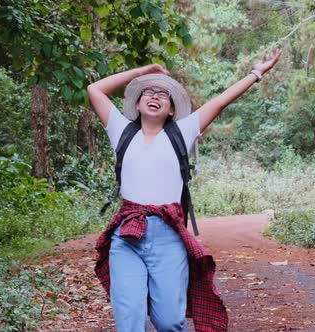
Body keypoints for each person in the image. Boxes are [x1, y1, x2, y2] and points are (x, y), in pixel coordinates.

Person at [87, 49, 282, 332]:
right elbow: (95, 89)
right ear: (138, 103)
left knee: (170, 321)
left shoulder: (183, 131)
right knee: (129, 318)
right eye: (148, 93)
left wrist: (256, 73)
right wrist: (142, 72)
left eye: (162, 95)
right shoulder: (121, 129)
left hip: (168, 235)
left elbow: (221, 101)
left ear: (171, 110)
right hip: (127, 234)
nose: (155, 97)